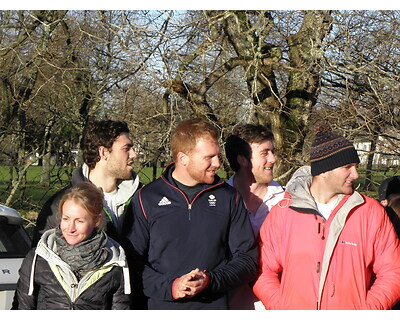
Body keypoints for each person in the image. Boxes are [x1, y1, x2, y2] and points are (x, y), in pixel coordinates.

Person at [253, 122, 400, 309]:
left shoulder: (370, 212)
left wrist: (367, 309)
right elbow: (262, 270)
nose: (355, 174)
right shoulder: (283, 213)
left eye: (355, 166)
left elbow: (394, 272)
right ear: (324, 171)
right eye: (348, 167)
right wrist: (281, 306)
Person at [126, 118, 258, 309]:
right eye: (209, 157)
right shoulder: (146, 198)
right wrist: (171, 287)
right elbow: (131, 263)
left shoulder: (229, 197)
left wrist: (211, 280)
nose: (217, 163)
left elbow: (248, 260)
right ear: (183, 158)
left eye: (218, 156)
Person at [12, 182, 131, 310]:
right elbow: (22, 309)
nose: (70, 228)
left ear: (97, 221)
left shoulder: (115, 264)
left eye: (79, 221)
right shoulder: (38, 258)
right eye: (66, 219)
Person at [32, 119, 140, 247]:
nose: (134, 154)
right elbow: (41, 260)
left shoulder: (144, 199)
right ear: (103, 152)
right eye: (126, 148)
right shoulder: (60, 205)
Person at [224, 124, 285, 309]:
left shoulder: (289, 202)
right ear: (243, 159)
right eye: (265, 153)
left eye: (272, 151)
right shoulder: (218, 202)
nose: (273, 159)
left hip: (279, 305)